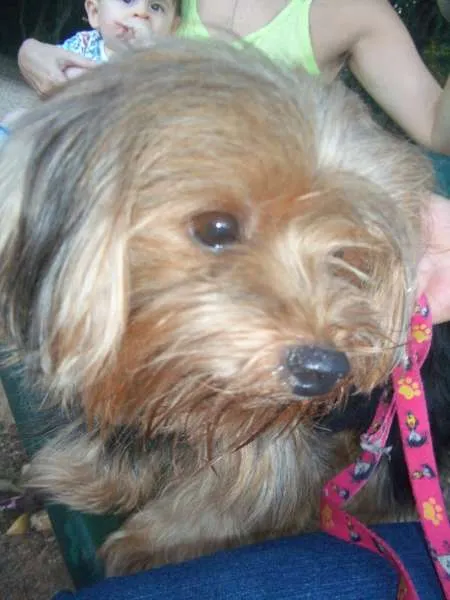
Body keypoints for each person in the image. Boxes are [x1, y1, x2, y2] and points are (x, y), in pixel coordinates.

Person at [16, 0, 450, 155]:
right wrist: (30, 50)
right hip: (120, 182)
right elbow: (103, 33)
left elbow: (437, 129)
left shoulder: (351, 12)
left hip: (235, 227)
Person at [59, 0, 181, 79]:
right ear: (95, 12)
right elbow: (53, 72)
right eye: (127, 0)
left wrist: (146, 53)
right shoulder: (82, 45)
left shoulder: (166, 66)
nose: (141, 12)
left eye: (156, 7)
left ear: (172, 29)